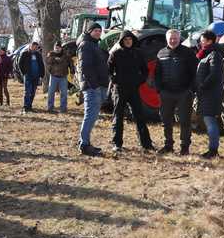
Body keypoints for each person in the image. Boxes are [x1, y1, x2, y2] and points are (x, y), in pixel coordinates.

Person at [107, 31, 154, 152]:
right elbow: (109, 69)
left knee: (139, 116)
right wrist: (115, 80)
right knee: (118, 116)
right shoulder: (116, 54)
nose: (128, 41)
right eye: (125, 39)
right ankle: (117, 143)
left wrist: (140, 81)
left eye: (130, 39)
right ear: (122, 41)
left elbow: (145, 70)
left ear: (132, 40)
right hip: (119, 89)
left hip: (134, 89)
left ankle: (146, 144)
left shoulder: (138, 53)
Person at [155, 29, 198, 156]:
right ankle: (168, 145)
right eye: (170, 39)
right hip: (166, 93)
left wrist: (190, 89)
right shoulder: (161, 53)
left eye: (175, 38)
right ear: (167, 39)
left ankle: (185, 147)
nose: (173, 41)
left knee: (184, 121)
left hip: (183, 93)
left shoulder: (188, 53)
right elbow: (157, 73)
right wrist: (159, 89)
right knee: (166, 120)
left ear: (179, 39)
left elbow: (195, 72)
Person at [77, 22, 109, 156]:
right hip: (92, 86)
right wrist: (94, 85)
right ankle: (84, 145)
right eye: (95, 30)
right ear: (89, 31)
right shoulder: (86, 45)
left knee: (93, 115)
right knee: (90, 115)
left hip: (98, 85)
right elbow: (85, 68)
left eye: (99, 31)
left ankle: (84, 141)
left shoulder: (94, 44)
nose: (98, 33)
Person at [195, 30, 224, 159]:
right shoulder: (206, 54)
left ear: (210, 41)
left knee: (210, 120)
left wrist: (202, 86)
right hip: (206, 93)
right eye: (201, 40)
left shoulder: (214, 54)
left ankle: (213, 151)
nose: (201, 43)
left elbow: (214, 74)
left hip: (210, 94)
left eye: (203, 40)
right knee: (209, 121)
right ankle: (212, 149)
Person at [46, 41, 73, 114]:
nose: (57, 49)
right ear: (54, 48)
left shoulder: (66, 55)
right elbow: (47, 63)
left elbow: (71, 63)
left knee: (64, 93)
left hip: (63, 76)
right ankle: (50, 107)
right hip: (53, 76)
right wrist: (53, 58)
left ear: (61, 48)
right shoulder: (51, 54)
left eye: (58, 47)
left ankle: (63, 108)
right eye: (56, 47)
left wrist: (72, 71)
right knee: (51, 92)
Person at [18, 42, 45, 113]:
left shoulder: (38, 55)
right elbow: (20, 64)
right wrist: (24, 73)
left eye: (36, 47)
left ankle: (30, 106)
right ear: (30, 46)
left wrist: (42, 74)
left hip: (36, 76)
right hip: (28, 76)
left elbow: (41, 65)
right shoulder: (25, 54)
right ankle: (25, 106)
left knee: (33, 92)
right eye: (33, 46)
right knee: (27, 91)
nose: (35, 48)